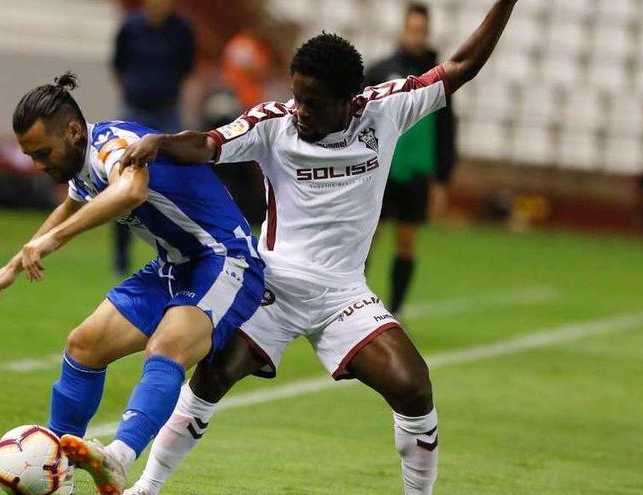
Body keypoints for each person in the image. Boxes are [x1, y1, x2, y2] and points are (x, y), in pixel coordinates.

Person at [119, 2, 518, 494]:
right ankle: (146, 487)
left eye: (312, 102)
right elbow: (206, 143)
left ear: (349, 101)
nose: (299, 110)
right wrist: (160, 143)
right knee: (212, 377)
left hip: (342, 294)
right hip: (271, 285)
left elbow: (460, 67)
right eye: (296, 95)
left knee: (413, 387)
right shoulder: (273, 125)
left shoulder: (386, 108)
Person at [0, 73, 265, 495]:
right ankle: (56, 466)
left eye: (42, 152)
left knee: (166, 347)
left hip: (225, 259)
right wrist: (12, 266)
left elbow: (131, 191)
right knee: (84, 345)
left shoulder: (113, 144)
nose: (38, 166)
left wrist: (54, 240)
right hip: (175, 264)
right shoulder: (83, 160)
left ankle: (119, 459)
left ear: (73, 131)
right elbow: (71, 204)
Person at [364, 2, 457, 315]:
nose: (416, 35)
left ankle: (396, 309)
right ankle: (351, 305)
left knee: (406, 240)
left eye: (421, 31)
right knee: (366, 238)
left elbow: (446, 130)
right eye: (411, 29)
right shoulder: (379, 71)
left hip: (416, 172)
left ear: (427, 33)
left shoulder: (439, 77)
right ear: (403, 29)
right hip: (380, 170)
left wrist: (442, 180)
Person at [111, 0, 196, 277]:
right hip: (134, 111)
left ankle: (183, 252)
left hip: (166, 115)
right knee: (120, 180)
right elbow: (117, 64)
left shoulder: (182, 29)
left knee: (179, 181)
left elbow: (186, 67)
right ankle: (121, 255)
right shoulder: (131, 27)